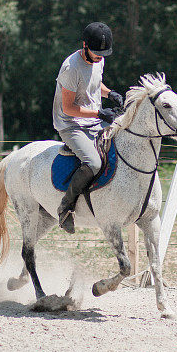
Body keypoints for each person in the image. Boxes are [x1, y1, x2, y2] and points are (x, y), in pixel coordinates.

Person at [52, 22, 124, 233]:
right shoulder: (71, 68)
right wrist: (100, 113)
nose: (100, 57)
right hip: (71, 124)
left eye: (103, 54)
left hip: (93, 119)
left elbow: (93, 84)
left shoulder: (98, 59)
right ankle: (66, 207)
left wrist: (110, 93)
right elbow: (69, 108)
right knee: (93, 162)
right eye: (96, 52)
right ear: (84, 45)